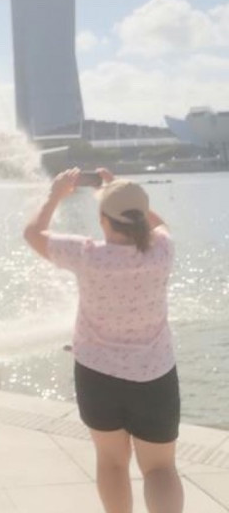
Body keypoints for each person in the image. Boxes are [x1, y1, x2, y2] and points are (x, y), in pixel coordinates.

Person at [24, 168, 183, 513]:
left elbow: (32, 233)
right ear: (142, 216)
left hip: (97, 376)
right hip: (154, 375)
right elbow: (160, 226)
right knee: (160, 468)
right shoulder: (162, 251)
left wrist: (55, 194)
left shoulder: (87, 255)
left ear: (102, 220)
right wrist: (120, 189)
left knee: (111, 462)